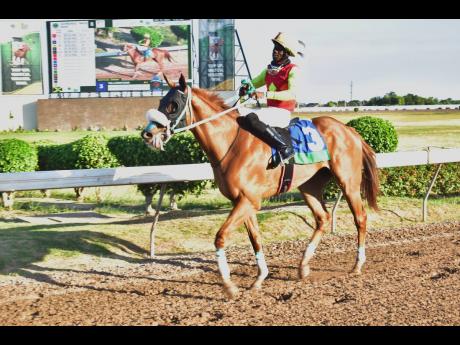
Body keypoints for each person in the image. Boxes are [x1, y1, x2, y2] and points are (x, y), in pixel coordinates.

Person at [238, 32, 305, 164]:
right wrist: (246, 88)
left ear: (286, 53)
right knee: (239, 114)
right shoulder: (268, 70)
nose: (275, 51)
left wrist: (265, 94)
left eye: (279, 49)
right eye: (275, 48)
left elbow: (292, 94)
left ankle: (284, 148)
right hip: (270, 112)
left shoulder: (292, 70)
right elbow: (254, 83)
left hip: (282, 113)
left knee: (251, 117)